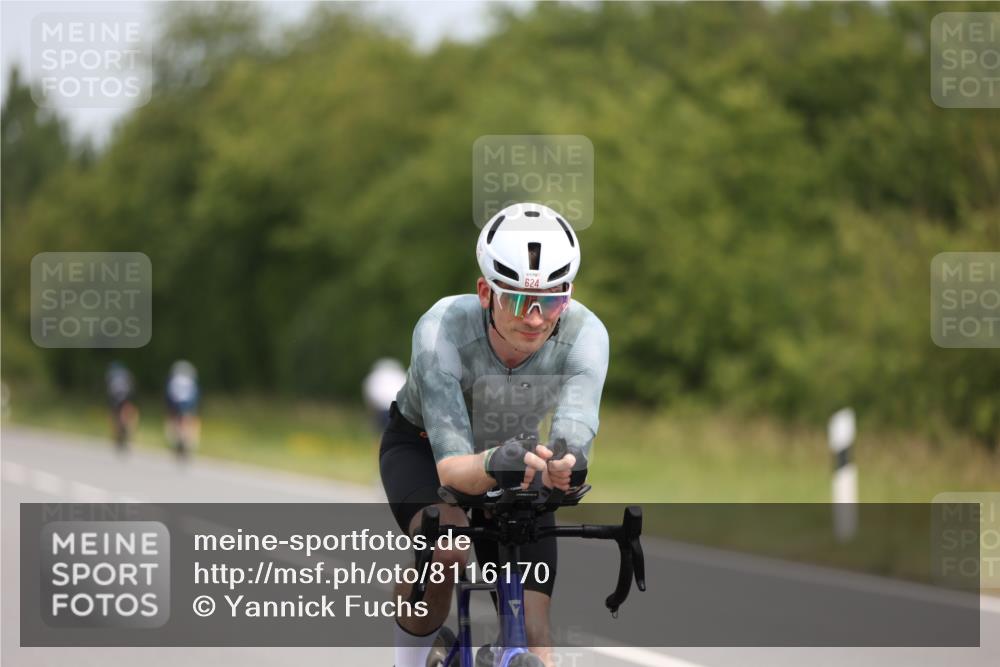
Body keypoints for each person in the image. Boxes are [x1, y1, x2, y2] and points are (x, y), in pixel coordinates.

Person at [380, 202, 608, 667]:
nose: (537, 319)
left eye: (553, 300)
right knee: (447, 548)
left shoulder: (586, 334)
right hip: (424, 447)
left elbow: (574, 429)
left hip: (515, 456)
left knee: (537, 632)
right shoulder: (440, 329)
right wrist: (496, 464)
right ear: (485, 292)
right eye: (522, 301)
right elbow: (451, 468)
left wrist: (566, 464)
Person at [164, 360, 200, 458]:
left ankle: (176, 439)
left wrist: (169, 406)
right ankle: (189, 441)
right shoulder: (190, 380)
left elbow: (169, 393)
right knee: (189, 419)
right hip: (188, 402)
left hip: (175, 402)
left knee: (174, 418)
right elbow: (195, 394)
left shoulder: (174, 379)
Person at [363, 357, 408, 431]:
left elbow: (370, 395)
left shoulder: (374, 377)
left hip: (381, 410)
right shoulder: (401, 375)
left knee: (382, 433)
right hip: (397, 409)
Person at [105, 361, 139, 450]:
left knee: (114, 416)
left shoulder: (111, 374)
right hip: (126, 396)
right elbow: (132, 385)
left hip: (114, 397)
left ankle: (118, 434)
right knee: (128, 413)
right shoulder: (126, 374)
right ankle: (126, 429)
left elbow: (109, 388)